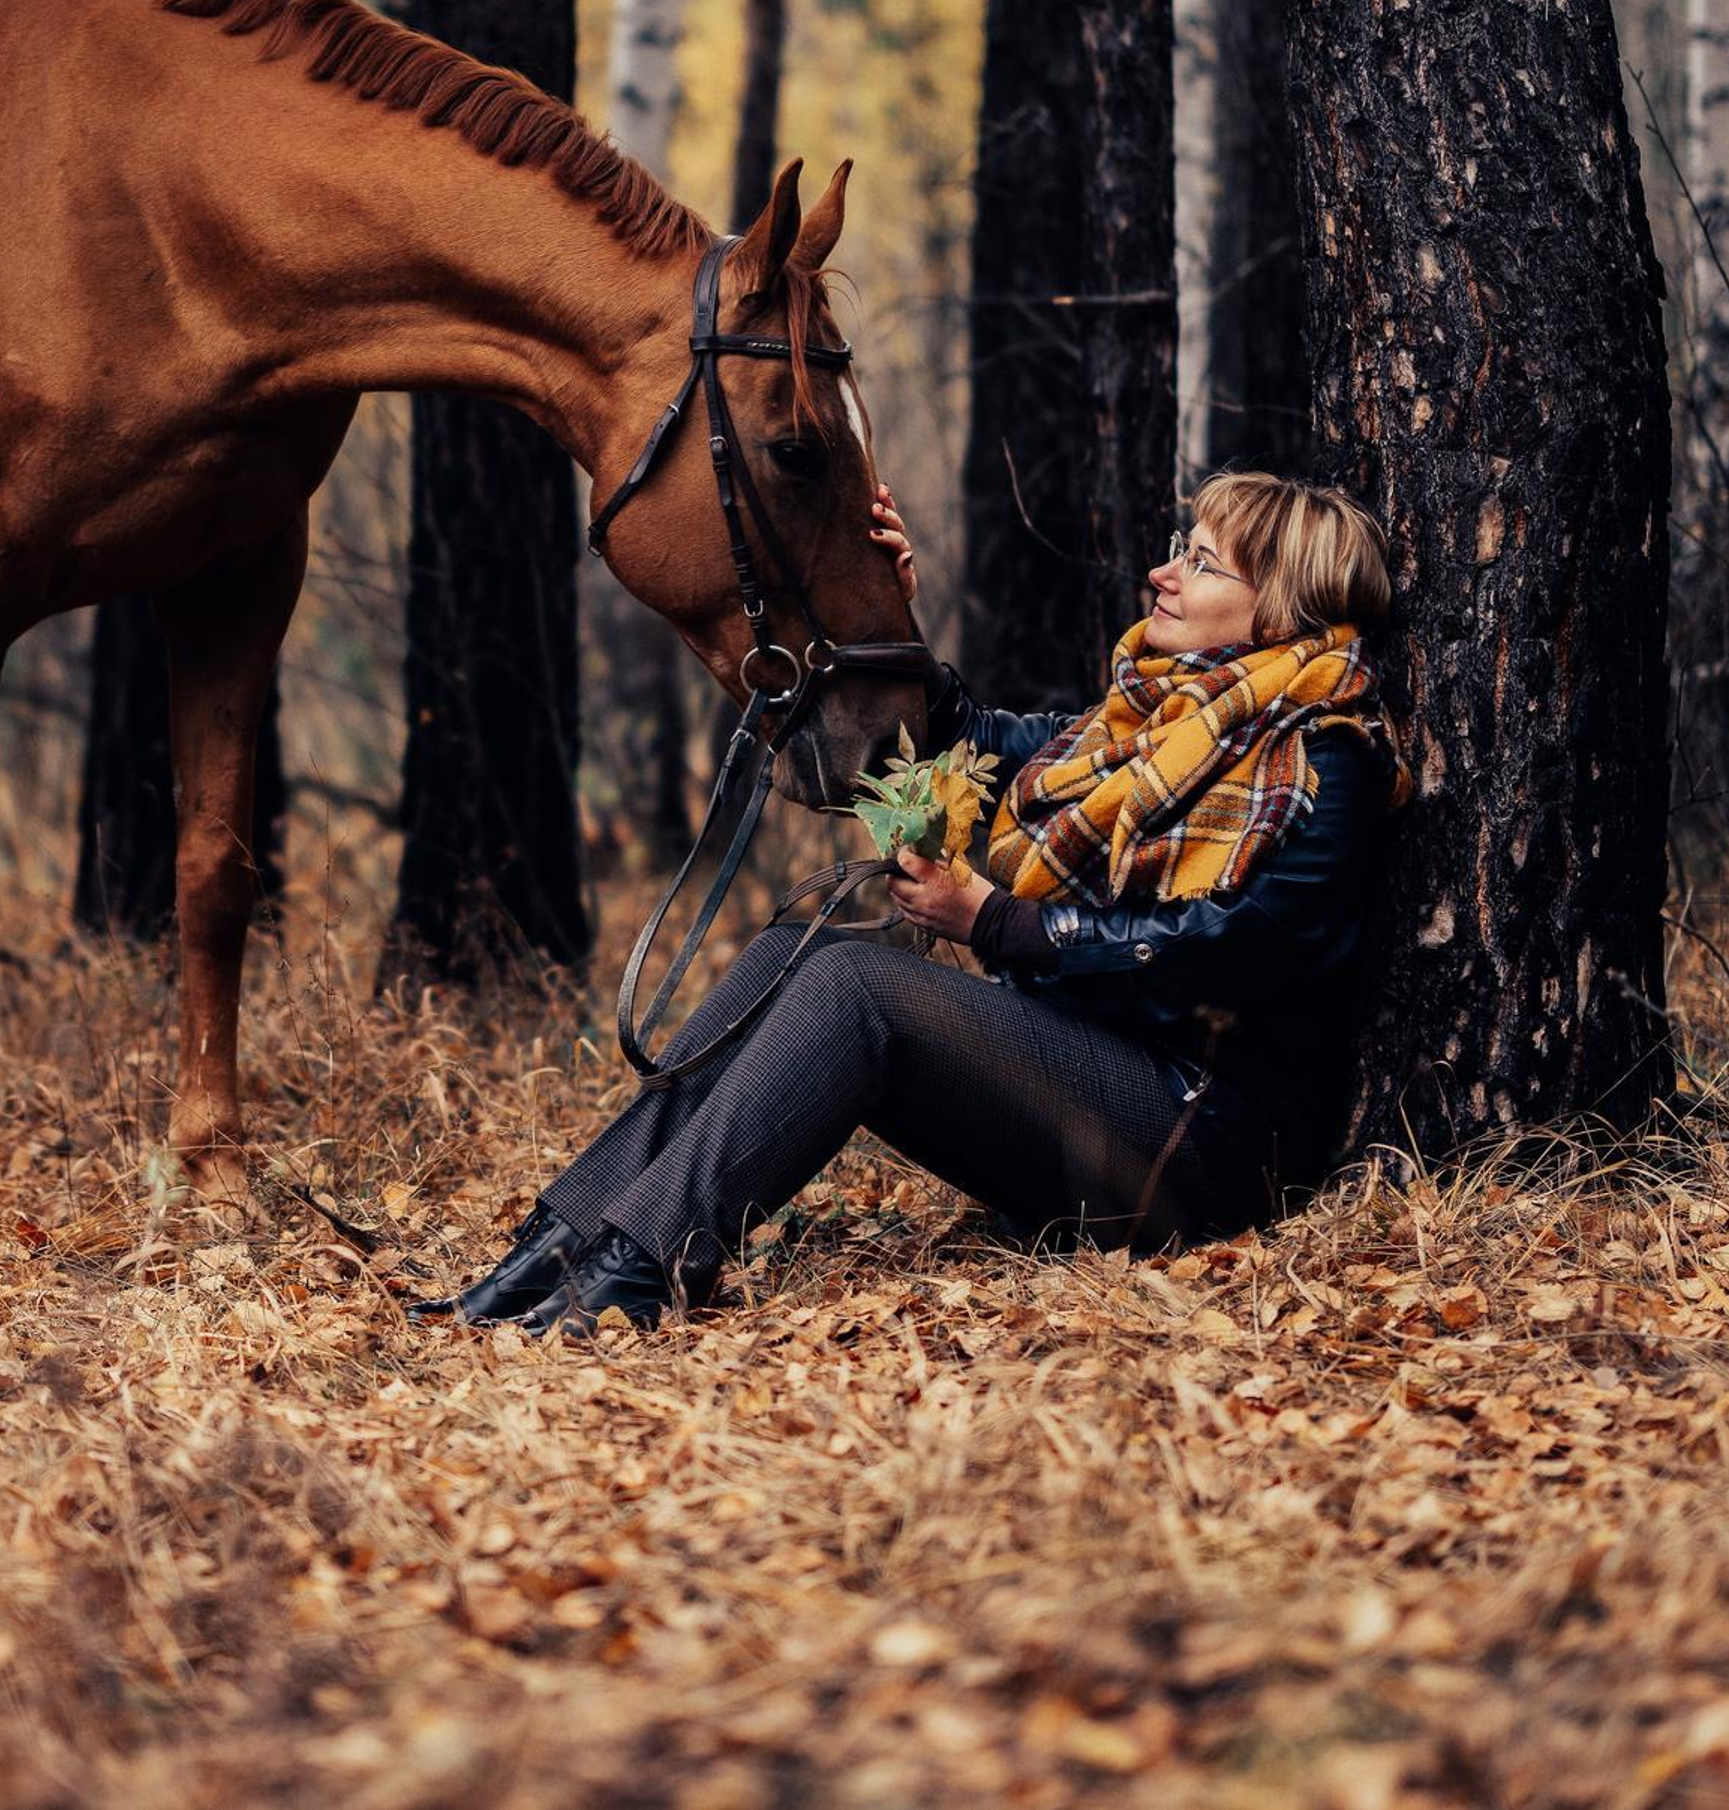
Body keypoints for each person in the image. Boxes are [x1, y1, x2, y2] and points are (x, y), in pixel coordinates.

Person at [412, 470, 1406, 1337]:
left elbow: (1251, 947)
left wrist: (1003, 922)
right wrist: (887, 616)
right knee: (806, 949)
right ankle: (558, 1249)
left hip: (1202, 1142)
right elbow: (973, 737)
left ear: (1277, 607)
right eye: (1177, 551)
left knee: (862, 985)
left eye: (1201, 560)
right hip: (1106, 1076)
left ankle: (634, 1273)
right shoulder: (1151, 721)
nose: (1164, 573)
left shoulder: (1325, 752)